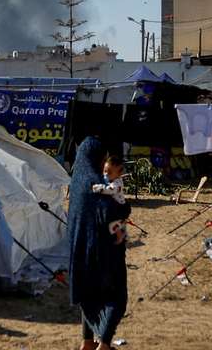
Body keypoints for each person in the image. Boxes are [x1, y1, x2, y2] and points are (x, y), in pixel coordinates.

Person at [68, 137, 130, 350]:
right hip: (104, 253)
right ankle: (103, 345)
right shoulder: (96, 185)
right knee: (115, 297)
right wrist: (125, 208)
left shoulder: (77, 181)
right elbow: (111, 212)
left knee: (88, 295)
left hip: (80, 251)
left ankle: (87, 343)